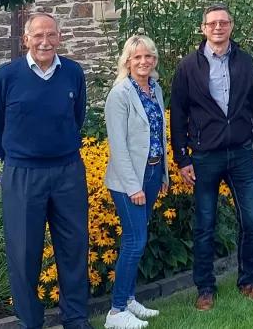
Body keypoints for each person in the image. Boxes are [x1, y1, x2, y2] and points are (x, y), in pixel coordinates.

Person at [0, 12, 90, 329]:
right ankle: (31, 322)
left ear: (59, 37)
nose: (45, 42)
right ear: (26, 39)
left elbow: (77, 117)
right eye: (38, 35)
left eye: (51, 35)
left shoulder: (73, 72)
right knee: (24, 253)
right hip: (23, 174)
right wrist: (19, 156)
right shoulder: (7, 76)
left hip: (67, 171)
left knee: (73, 248)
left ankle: (75, 319)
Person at [170, 3, 253, 311]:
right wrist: (182, 158)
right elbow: (179, 114)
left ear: (231, 27)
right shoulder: (189, 66)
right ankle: (205, 288)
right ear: (203, 29)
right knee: (205, 224)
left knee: (251, 220)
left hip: (241, 153)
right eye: (212, 23)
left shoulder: (245, 61)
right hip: (204, 157)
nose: (217, 28)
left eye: (223, 23)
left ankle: (248, 281)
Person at [102, 34, 167, 328]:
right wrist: (133, 186)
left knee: (137, 237)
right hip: (130, 179)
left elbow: (158, 134)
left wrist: (163, 173)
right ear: (127, 61)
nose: (143, 61)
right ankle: (116, 312)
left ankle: (129, 300)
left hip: (152, 172)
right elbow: (119, 145)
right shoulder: (120, 94)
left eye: (148, 56)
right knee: (135, 240)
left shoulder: (155, 88)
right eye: (137, 57)